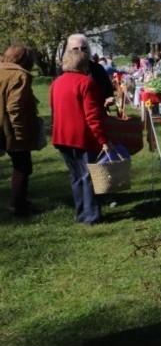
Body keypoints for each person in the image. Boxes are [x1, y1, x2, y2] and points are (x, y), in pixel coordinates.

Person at [50, 49, 114, 225]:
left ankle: (81, 213)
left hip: (61, 136)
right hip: (82, 136)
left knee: (76, 176)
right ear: (85, 65)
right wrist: (104, 140)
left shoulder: (56, 83)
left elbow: (53, 109)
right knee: (89, 176)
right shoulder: (87, 83)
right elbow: (92, 116)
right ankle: (92, 216)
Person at [0, 44, 41, 217]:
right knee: (23, 167)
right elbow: (15, 106)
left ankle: (20, 203)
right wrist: (20, 132)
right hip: (10, 129)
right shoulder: (20, 75)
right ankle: (19, 205)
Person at [65, 34, 114, 107]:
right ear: (68, 52)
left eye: (83, 48)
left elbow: (109, 92)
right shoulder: (64, 71)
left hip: (96, 110)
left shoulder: (98, 69)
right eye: (75, 49)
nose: (80, 51)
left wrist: (110, 99)